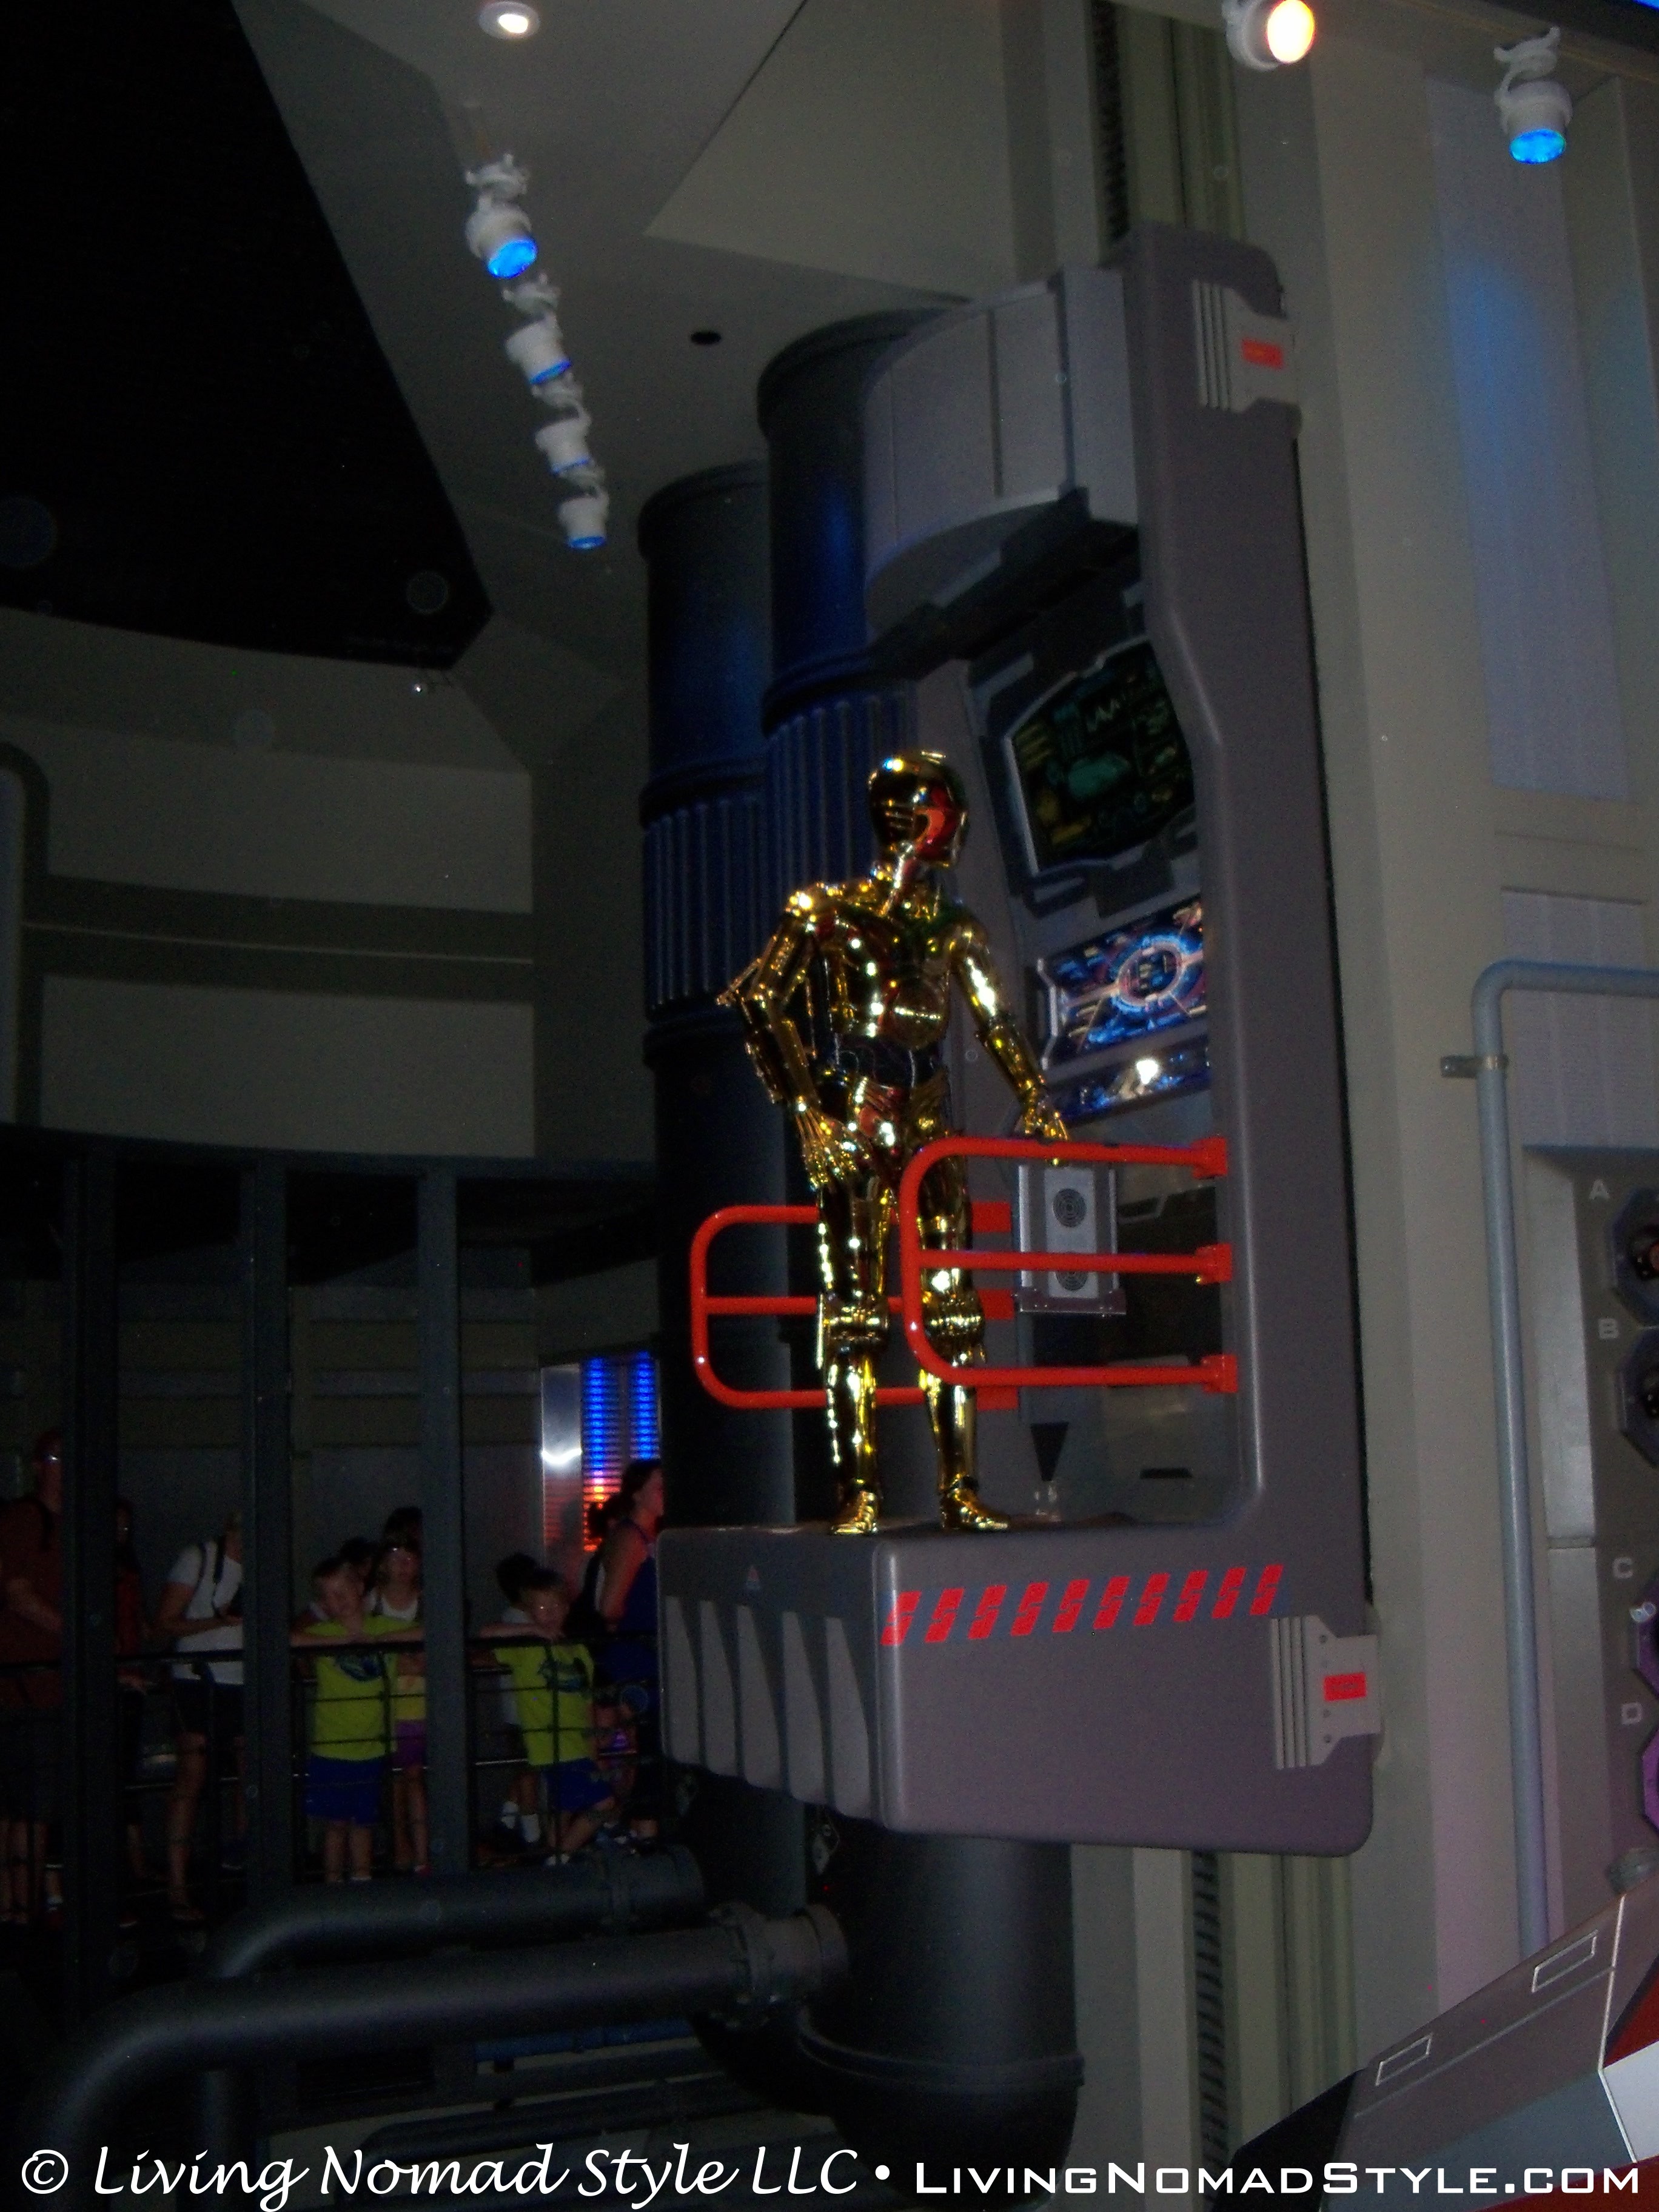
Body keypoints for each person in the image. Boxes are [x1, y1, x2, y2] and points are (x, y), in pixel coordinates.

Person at [723, 750, 1066, 1533]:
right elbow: (759, 999)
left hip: (928, 1111)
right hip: (858, 1105)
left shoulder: (954, 926)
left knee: (954, 1306)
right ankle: (860, 1493)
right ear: (910, 817)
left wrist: (1036, 1096)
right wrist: (812, 1114)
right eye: (942, 811)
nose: (952, 828)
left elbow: (994, 1019)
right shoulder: (828, 910)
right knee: (852, 1310)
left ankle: (959, 1489)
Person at [479, 1570, 614, 1860]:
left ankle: (555, 1858)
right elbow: (486, 1634)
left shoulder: (578, 1652)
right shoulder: (526, 1648)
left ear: (566, 1608)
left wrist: (594, 1748)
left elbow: (586, 1703)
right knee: (604, 1804)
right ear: (529, 1612)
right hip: (554, 1746)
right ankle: (560, 1857)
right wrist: (529, 1631)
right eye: (541, 1607)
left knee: (562, 1812)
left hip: (577, 1745)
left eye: (555, 1605)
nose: (550, 1613)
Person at [156, 1511, 244, 1924]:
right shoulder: (199, 1558)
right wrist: (219, 1619)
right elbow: (165, 1622)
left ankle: (243, 1865)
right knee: (191, 1777)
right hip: (197, 1680)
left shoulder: (261, 1562)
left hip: (243, 1681)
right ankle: (177, 1884)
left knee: (250, 1772)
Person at [293, 1557, 404, 1883]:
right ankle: (333, 1885)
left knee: (364, 1822)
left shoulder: (383, 1627)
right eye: (328, 1596)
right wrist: (340, 1642)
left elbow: (429, 1630)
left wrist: (380, 1642)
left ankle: (361, 1881)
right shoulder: (323, 1632)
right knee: (336, 1824)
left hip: (373, 1746)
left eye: (341, 1593)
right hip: (333, 1745)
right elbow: (289, 1639)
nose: (336, 1602)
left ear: (359, 1588)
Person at [0, 1432, 62, 1928]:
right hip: (26, 1684)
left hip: (47, 1684)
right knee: (27, 1804)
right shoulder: (25, 1519)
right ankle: (21, 1908)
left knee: (33, 1804)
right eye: (56, 1458)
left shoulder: (69, 1525)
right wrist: (75, 1634)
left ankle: (24, 1906)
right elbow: (18, 1594)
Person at [369, 1528, 427, 1875]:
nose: (404, 1565)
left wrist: (388, 1643)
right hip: (380, 1705)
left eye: (410, 1558)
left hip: (418, 1704)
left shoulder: (427, 1600)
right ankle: (401, 1846)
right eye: (396, 1558)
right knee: (393, 1779)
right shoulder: (370, 1601)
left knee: (413, 1775)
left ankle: (419, 1852)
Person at [115, 1498, 155, 1921]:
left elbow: (137, 1621)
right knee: (115, 1778)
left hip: (132, 1678)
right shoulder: (97, 1570)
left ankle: (137, 1867)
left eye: (126, 1527)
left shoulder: (128, 1568)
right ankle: (127, 1871)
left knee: (126, 1776)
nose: (122, 1534)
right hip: (114, 1682)